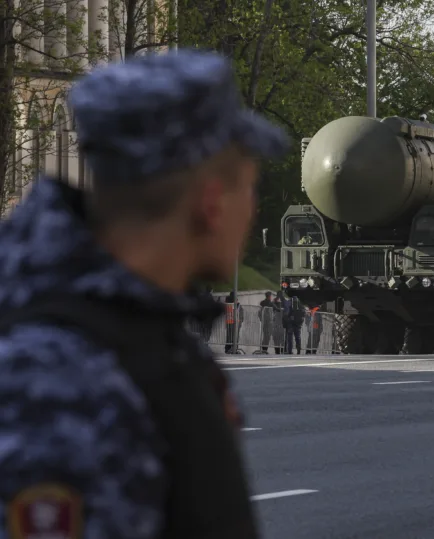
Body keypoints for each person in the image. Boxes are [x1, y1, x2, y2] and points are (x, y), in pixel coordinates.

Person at [0, 50, 289, 538]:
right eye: (249, 186)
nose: (254, 209)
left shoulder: (131, 330)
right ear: (212, 203)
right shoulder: (63, 377)